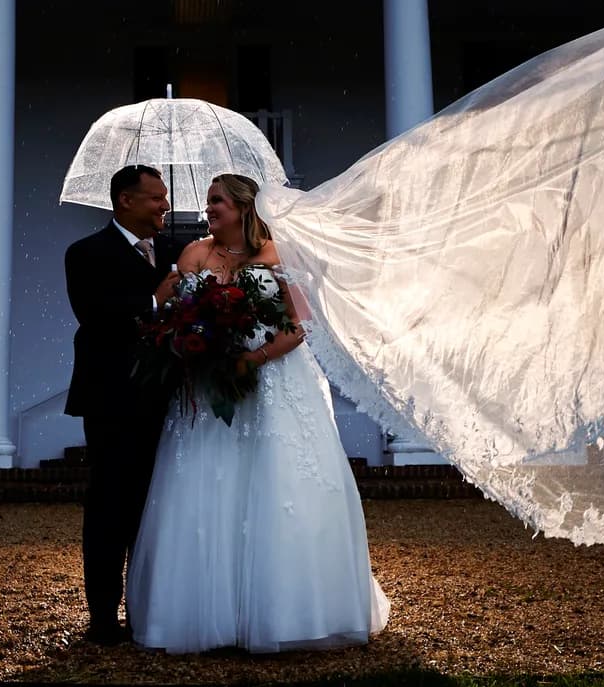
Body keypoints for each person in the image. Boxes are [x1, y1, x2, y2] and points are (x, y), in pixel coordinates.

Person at [125, 173, 391, 654]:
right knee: (208, 487)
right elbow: (171, 315)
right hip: (210, 390)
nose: (209, 210)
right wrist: (193, 347)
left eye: (218, 202)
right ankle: (208, 614)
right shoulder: (193, 256)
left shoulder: (277, 254)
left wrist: (253, 359)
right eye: (208, 202)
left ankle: (287, 612)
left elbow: (297, 327)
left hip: (273, 383)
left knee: (278, 486)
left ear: (245, 208)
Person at [62, 163, 173, 644]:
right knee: (111, 506)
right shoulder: (85, 253)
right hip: (110, 400)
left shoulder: (175, 252)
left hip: (166, 401)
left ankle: (149, 611)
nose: (165, 206)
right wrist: (154, 302)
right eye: (155, 198)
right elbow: (95, 315)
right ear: (125, 200)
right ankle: (103, 617)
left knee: (156, 507)